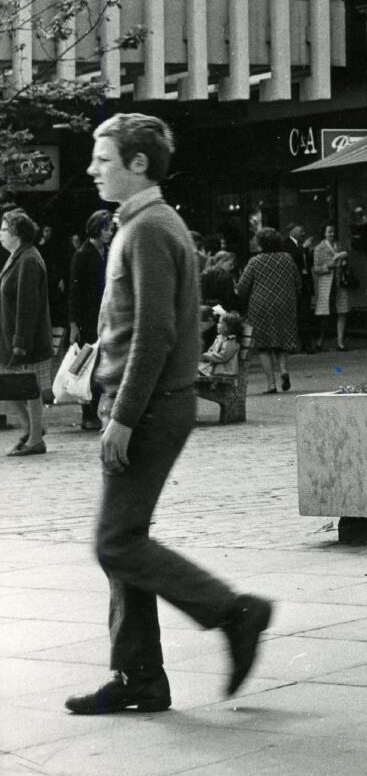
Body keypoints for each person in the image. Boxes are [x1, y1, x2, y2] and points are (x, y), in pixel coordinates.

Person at [64, 113, 271, 716]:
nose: (91, 169)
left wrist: (123, 417)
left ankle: (234, 612)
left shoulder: (150, 228)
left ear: (137, 164)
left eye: (102, 159)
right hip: (150, 403)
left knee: (115, 543)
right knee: (125, 541)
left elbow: (154, 333)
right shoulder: (145, 223)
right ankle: (139, 678)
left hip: (151, 407)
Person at [1, 209, 53, 457]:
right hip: (11, 338)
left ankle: (34, 438)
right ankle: (32, 429)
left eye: (3, 230)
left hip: (24, 341)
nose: (0, 234)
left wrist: (20, 343)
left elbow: (27, 305)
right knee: (12, 387)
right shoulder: (17, 257)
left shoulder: (29, 260)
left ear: (17, 234)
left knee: (29, 389)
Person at [236, 229, 301, 394]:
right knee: (282, 340)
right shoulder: (287, 258)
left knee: (264, 345)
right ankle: (284, 370)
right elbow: (298, 282)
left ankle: (271, 384)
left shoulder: (254, 261)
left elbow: (243, 287)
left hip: (261, 305)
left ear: (261, 243)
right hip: (285, 303)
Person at [69, 209, 113, 432]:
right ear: (96, 228)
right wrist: (74, 323)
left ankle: (95, 409)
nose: (109, 232)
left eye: (111, 228)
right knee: (89, 364)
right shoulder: (83, 254)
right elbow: (75, 291)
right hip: (88, 317)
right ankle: (88, 413)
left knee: (103, 363)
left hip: (106, 316)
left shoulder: (108, 251)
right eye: (106, 228)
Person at [310, 224, 351, 351]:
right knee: (325, 313)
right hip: (326, 283)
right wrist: (328, 266)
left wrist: (343, 262)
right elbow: (316, 268)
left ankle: (340, 342)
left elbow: (346, 261)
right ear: (324, 233)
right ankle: (321, 340)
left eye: (333, 232)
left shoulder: (339, 246)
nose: (332, 234)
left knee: (342, 311)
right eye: (329, 232)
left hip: (339, 282)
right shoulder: (319, 248)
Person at [283, 224, 315, 353]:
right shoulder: (286, 244)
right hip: (293, 285)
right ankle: (291, 344)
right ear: (293, 232)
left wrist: (308, 251)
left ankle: (306, 345)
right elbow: (290, 260)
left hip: (304, 283)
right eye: (301, 231)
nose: (303, 234)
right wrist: (303, 248)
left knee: (305, 315)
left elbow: (308, 264)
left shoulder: (303, 246)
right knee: (292, 315)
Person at [197, 312, 242, 383]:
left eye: (220, 323)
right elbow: (211, 350)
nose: (217, 325)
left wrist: (207, 356)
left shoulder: (230, 341)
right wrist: (208, 354)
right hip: (216, 369)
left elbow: (222, 357)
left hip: (226, 371)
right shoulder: (219, 338)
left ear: (228, 327)